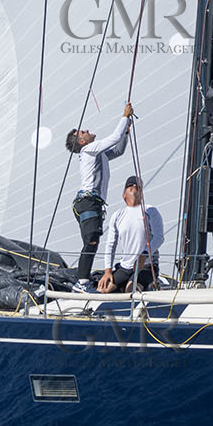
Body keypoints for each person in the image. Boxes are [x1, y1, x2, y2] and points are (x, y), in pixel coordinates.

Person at [65, 102, 134, 291]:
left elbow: (118, 149)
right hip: (87, 202)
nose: (86, 130)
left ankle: (82, 281)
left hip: (91, 203)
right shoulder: (89, 150)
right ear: (81, 142)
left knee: (92, 240)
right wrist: (125, 117)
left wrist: (126, 132)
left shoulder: (97, 153)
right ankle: (82, 283)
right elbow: (113, 138)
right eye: (82, 132)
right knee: (91, 240)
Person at [99, 175, 162, 293]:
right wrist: (107, 271)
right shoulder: (118, 215)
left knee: (131, 289)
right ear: (124, 195)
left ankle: (129, 289)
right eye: (130, 185)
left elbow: (159, 238)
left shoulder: (150, 211)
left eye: (138, 186)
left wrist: (144, 255)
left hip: (146, 266)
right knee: (102, 289)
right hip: (125, 267)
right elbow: (110, 244)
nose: (134, 186)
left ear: (142, 194)